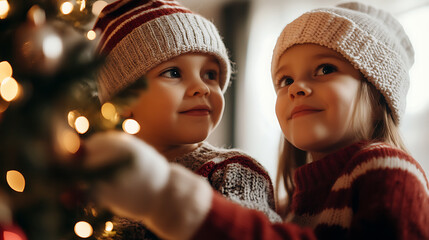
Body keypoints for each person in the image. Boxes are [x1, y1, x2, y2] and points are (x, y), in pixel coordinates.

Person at [85, 1, 429, 240]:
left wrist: (166, 197)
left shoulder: (385, 169)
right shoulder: (295, 203)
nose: (297, 89)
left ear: (377, 89)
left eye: (325, 69)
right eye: (285, 80)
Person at [91, 0, 280, 239]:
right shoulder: (102, 184)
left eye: (210, 74)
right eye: (173, 73)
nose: (201, 88)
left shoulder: (233, 171)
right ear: (123, 102)